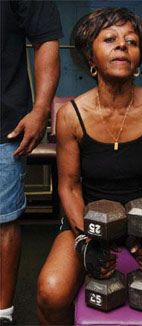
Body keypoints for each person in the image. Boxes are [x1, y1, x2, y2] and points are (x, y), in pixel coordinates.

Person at [37, 8, 142, 325]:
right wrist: (86, 241)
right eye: (110, 39)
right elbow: (69, 186)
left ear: (139, 56)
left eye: (131, 41)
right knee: (50, 292)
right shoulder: (70, 115)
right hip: (88, 223)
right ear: (90, 56)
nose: (122, 46)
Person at [0, 1, 62, 324]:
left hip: (4, 124)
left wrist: (40, 110)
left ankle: (3, 312)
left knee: (3, 221)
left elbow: (46, 40)